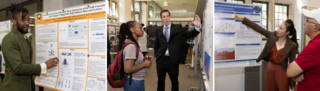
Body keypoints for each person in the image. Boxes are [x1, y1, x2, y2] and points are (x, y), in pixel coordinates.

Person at [233, 11, 298, 91]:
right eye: (278, 27)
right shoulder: (272, 36)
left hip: (282, 72)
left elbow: (292, 65)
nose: (277, 30)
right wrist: (242, 18)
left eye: (281, 28)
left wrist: (292, 84)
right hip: (270, 69)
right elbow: (258, 28)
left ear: (287, 32)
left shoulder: (292, 45)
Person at [0, 5, 59, 91]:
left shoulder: (23, 38)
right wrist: (44, 66)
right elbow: (18, 68)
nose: (27, 23)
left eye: (28, 20)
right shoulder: (9, 39)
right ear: (14, 21)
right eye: (23, 20)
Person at [154, 9, 201, 91]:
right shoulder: (158, 30)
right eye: (164, 17)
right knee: (160, 81)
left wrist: (197, 27)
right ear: (161, 18)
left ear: (170, 17)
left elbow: (190, 34)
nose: (166, 18)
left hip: (173, 61)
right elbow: (156, 45)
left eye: (167, 16)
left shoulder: (178, 27)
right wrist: (156, 57)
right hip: (161, 60)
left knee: (174, 81)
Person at [287, 8, 320, 91]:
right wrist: (302, 72)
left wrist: (298, 72)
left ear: (315, 27)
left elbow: (290, 71)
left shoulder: (316, 45)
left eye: (307, 20)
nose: (304, 22)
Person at [119, 21, 153, 91]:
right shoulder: (131, 46)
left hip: (136, 81)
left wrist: (143, 59)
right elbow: (128, 69)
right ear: (132, 29)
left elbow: (133, 60)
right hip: (134, 82)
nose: (142, 30)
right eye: (140, 28)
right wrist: (144, 64)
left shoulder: (134, 44)